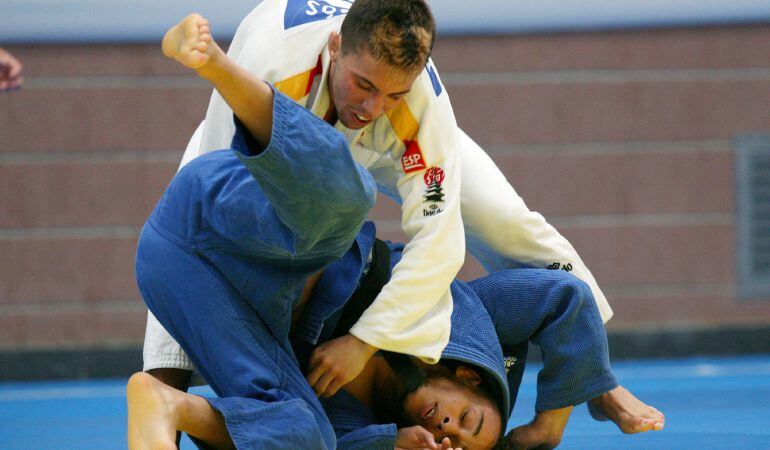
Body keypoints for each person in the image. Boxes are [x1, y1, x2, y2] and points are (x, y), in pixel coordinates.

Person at [128, 17, 663, 450]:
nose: (372, 106)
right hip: (264, 141)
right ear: (336, 48)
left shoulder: (416, 103)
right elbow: (217, 209)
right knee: (326, 199)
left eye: (392, 93)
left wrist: (380, 413)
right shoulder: (276, 53)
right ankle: (167, 391)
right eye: (364, 86)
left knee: (505, 220)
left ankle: (597, 379)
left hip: (365, 169)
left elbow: (440, 242)